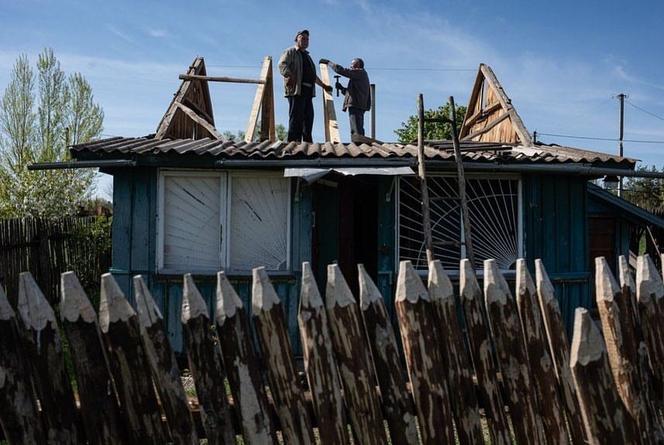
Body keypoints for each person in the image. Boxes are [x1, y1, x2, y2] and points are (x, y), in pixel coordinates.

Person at [278, 30, 333, 142]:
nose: (305, 41)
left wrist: (323, 85)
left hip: (308, 91)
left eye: (307, 39)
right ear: (296, 39)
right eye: (302, 38)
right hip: (296, 90)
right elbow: (282, 65)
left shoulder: (308, 57)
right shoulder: (290, 51)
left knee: (308, 118)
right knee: (296, 118)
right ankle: (293, 143)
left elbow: (313, 76)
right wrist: (289, 76)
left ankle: (307, 145)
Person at [320, 58, 371, 138]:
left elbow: (342, 70)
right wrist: (341, 88)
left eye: (352, 64)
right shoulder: (360, 75)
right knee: (358, 127)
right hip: (358, 105)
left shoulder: (360, 72)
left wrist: (329, 63)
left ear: (357, 65)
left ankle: (358, 143)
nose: (350, 66)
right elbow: (352, 93)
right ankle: (359, 142)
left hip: (356, 105)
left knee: (356, 130)